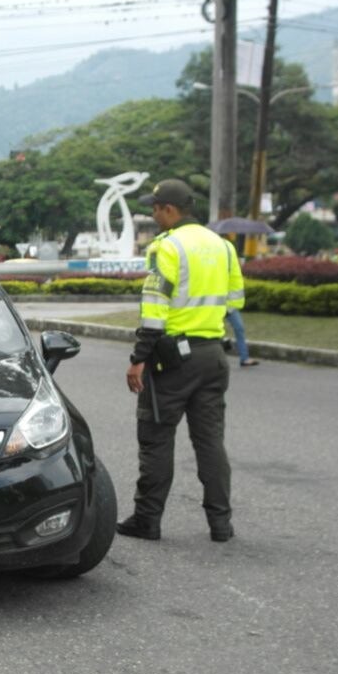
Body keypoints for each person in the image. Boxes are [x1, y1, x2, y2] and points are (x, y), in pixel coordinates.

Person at [120, 179, 246, 543]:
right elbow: (235, 300)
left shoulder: (168, 247)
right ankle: (220, 525)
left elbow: (155, 309)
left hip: (174, 359)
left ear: (170, 210)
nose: (153, 215)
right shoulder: (223, 248)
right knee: (210, 442)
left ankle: (147, 520)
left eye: (155, 209)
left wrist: (138, 358)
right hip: (213, 355)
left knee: (156, 438)